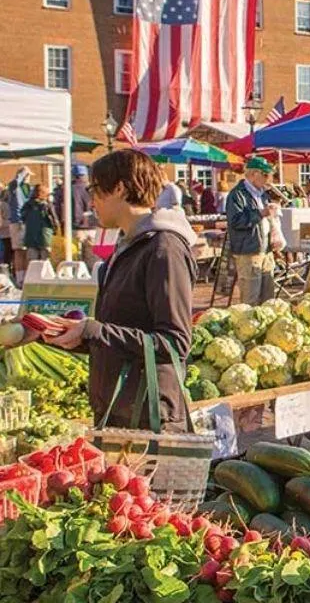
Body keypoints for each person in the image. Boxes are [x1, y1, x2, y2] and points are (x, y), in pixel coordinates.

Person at [39, 149, 196, 431]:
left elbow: (174, 343)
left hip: (149, 417)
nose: (90, 200)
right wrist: (74, 336)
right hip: (119, 408)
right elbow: (124, 329)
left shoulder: (164, 249)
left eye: (95, 189)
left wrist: (94, 331)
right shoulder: (125, 246)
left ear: (120, 189)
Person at [225, 156, 278, 305]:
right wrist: (260, 213)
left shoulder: (263, 194)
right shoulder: (237, 194)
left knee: (268, 298)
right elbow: (236, 222)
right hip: (248, 252)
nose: (269, 179)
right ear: (254, 174)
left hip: (265, 251)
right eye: (265, 175)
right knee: (250, 299)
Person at [21, 184, 58, 263]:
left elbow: (23, 218)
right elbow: (54, 221)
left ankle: (33, 275)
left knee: (32, 262)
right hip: (45, 236)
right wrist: (56, 230)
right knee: (46, 261)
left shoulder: (27, 205)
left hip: (30, 237)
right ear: (43, 194)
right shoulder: (47, 205)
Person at [7, 166, 31, 282]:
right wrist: (23, 173)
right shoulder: (14, 186)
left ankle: (24, 276)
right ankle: (20, 278)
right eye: (28, 176)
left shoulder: (25, 188)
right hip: (18, 221)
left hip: (24, 221)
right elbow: (16, 182)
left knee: (25, 251)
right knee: (19, 251)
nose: (29, 178)